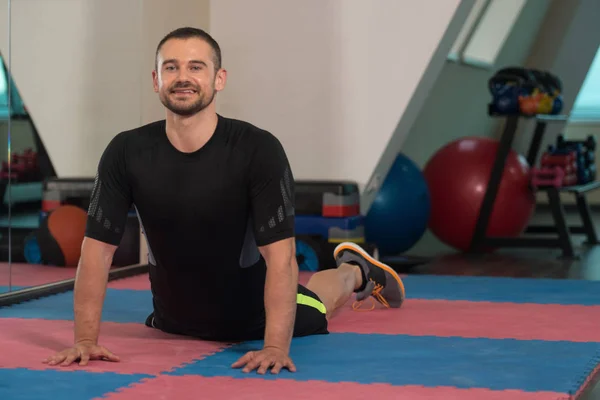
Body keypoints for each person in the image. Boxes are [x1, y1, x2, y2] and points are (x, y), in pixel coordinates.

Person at [42, 27, 405, 375]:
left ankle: (354, 271)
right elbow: (97, 250)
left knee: (317, 300)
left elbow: (280, 258)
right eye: (171, 67)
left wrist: (275, 346)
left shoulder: (258, 150)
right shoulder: (126, 151)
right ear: (156, 80)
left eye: (195, 67)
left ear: (219, 79)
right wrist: (85, 340)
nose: (182, 77)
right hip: (173, 320)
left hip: (254, 317)